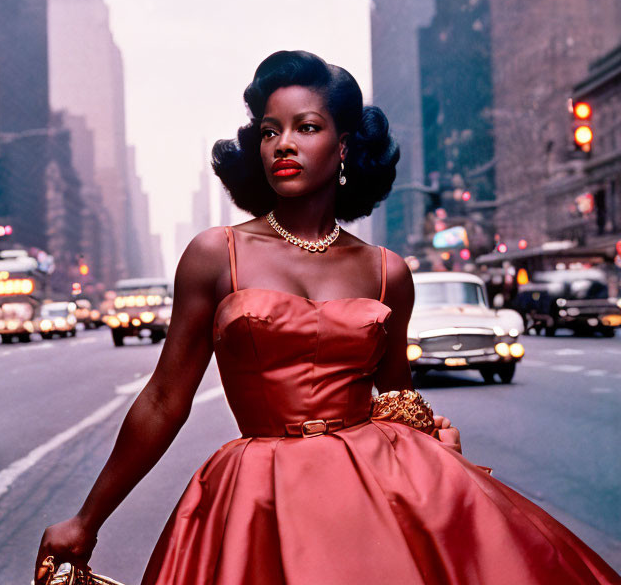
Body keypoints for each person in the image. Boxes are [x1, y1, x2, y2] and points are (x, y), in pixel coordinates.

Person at [36, 51, 619, 584]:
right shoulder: (217, 255)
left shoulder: (387, 271)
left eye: (306, 127)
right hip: (257, 498)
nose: (282, 144)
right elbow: (166, 397)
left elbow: (397, 399)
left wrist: (436, 444)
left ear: (343, 148)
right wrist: (89, 518)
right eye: (270, 131)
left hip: (378, 495)